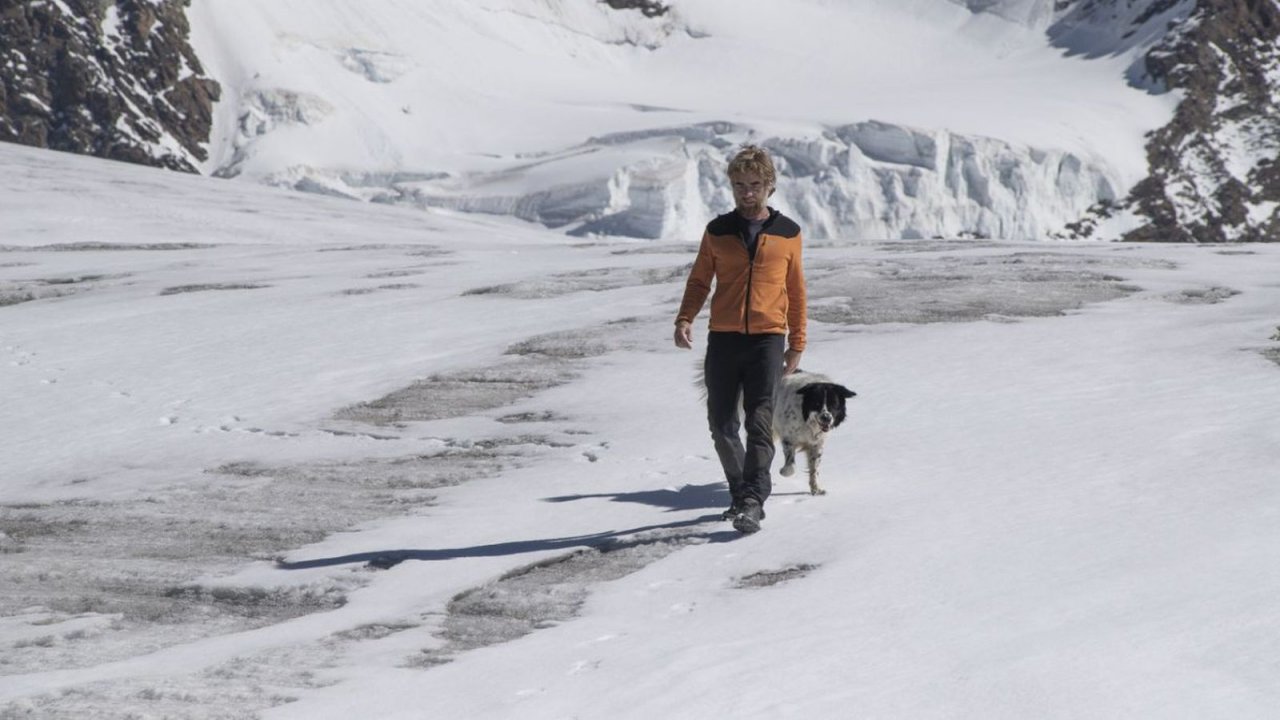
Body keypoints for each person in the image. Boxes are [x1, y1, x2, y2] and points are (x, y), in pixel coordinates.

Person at [673, 145, 807, 534]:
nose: (747, 193)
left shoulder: (788, 233)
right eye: (739, 185)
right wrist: (685, 318)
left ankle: (752, 499)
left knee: (760, 423)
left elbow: (796, 291)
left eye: (754, 185)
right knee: (721, 423)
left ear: (769, 186)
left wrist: (796, 342)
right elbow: (700, 281)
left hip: (767, 339)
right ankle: (739, 490)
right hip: (724, 338)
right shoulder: (718, 231)